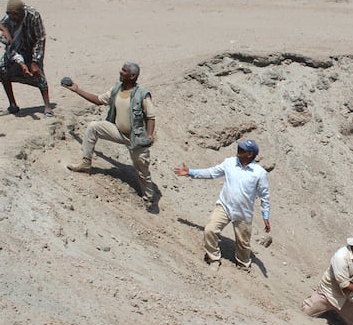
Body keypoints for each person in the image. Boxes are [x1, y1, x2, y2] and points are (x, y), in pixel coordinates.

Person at [64, 62, 157, 212]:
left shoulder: (142, 94)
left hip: (137, 138)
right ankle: (85, 163)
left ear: (132, 76)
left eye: (124, 71)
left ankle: (149, 199)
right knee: (93, 127)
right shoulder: (116, 89)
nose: (120, 72)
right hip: (118, 131)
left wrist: (150, 135)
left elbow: (151, 117)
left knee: (142, 171)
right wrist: (77, 90)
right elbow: (98, 100)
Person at [174, 140, 270, 272]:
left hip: (243, 212)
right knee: (210, 230)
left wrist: (266, 215)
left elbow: (265, 196)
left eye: (242, 150)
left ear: (250, 154)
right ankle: (213, 258)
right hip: (225, 206)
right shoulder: (229, 163)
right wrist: (190, 172)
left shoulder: (259, 173)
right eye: (239, 148)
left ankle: (243, 265)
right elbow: (212, 172)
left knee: (243, 243)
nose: (238, 150)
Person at [0, 0, 51, 116]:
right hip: (15, 50)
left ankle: (47, 107)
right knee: (3, 71)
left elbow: (40, 38)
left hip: (31, 48)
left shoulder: (33, 15)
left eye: (15, 14)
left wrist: (35, 61)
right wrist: (20, 62)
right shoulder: (7, 21)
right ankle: (13, 105)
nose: (13, 17)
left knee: (38, 75)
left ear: (21, 12)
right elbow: (7, 45)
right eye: (10, 14)